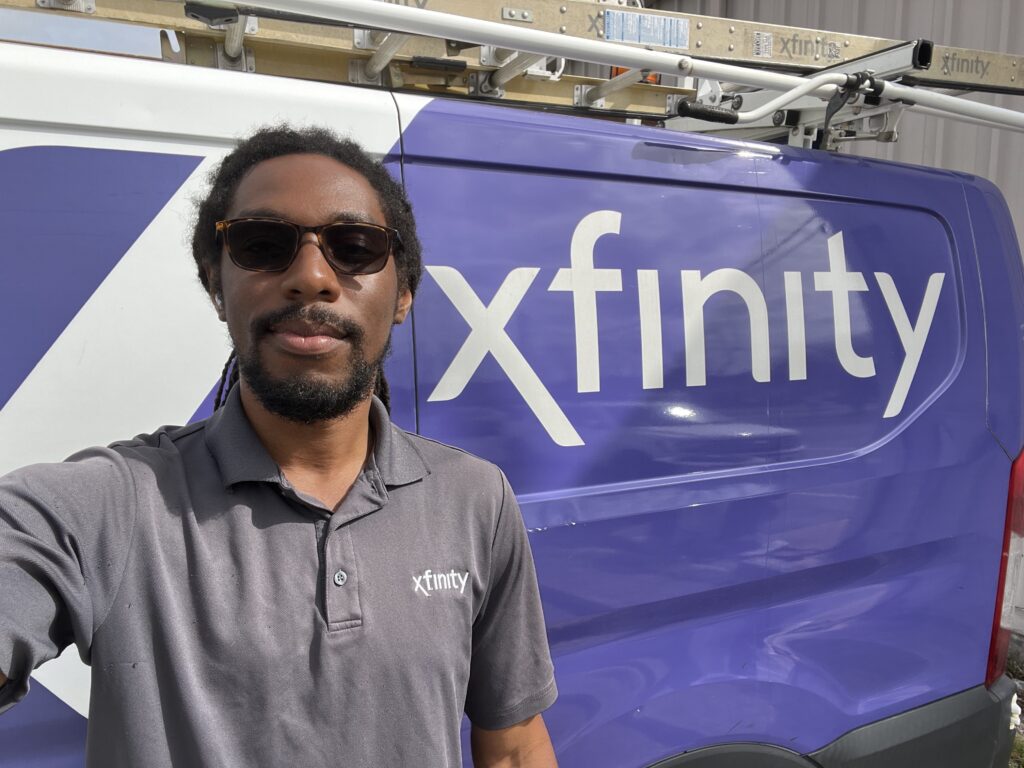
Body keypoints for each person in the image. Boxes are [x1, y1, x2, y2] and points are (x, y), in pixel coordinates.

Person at [0, 126, 558, 767]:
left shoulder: (475, 497)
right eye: (263, 245)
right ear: (216, 283)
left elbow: (513, 749)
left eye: (354, 247)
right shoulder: (108, 505)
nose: (311, 277)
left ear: (403, 293)